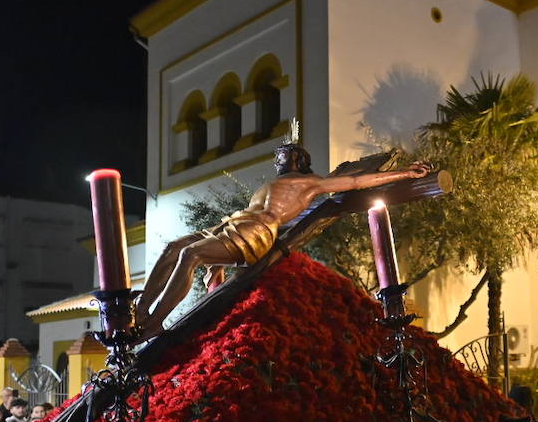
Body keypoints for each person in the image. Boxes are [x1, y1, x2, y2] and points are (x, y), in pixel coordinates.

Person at [137, 139, 430, 335]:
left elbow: (356, 181)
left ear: (298, 160)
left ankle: (157, 322)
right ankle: (140, 312)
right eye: (278, 156)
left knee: (192, 255)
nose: (279, 159)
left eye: (285, 155)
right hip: (235, 223)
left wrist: (406, 173)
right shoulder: (271, 184)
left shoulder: (311, 183)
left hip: (257, 231)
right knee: (174, 247)